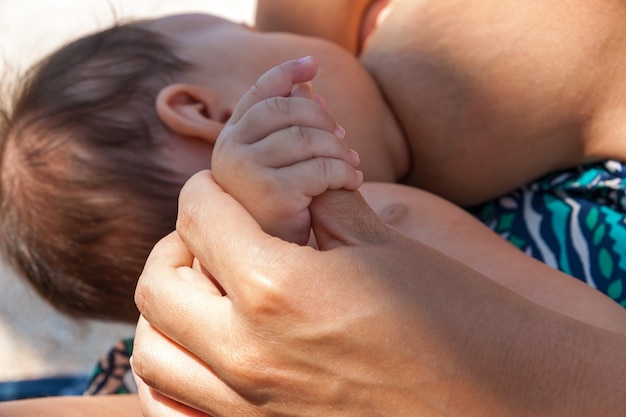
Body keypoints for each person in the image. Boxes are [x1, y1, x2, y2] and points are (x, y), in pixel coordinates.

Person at [1, 52, 626, 417]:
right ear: (201, 112)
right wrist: (271, 209)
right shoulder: (374, 212)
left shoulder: (137, 360)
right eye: (253, 36)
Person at [3, 0, 626, 326]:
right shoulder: (383, 219)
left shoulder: (392, 222)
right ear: (201, 111)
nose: (264, 26)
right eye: (242, 30)